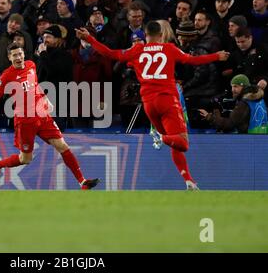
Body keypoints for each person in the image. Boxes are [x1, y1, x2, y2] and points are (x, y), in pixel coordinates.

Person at [76, 21, 230, 190]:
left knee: (174, 142)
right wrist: (217, 56)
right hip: (167, 100)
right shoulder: (169, 48)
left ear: (146, 34)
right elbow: (192, 60)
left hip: (149, 104)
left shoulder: (136, 50)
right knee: (182, 143)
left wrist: (90, 39)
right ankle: (159, 136)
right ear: (161, 34)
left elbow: (111, 54)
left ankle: (188, 181)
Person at [0, 42, 99, 190]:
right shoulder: (6, 76)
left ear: (24, 54)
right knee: (25, 159)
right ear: (9, 57)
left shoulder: (31, 65)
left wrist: (44, 97)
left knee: (62, 145)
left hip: (42, 115)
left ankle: (82, 182)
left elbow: (35, 85)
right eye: (14, 55)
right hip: (24, 120)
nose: (18, 57)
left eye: (20, 54)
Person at [199, 74, 268, 134]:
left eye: (236, 86)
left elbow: (229, 124)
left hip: (248, 141)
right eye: (232, 86)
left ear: (244, 87)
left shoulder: (245, 103)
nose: (232, 89)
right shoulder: (258, 99)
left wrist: (210, 117)